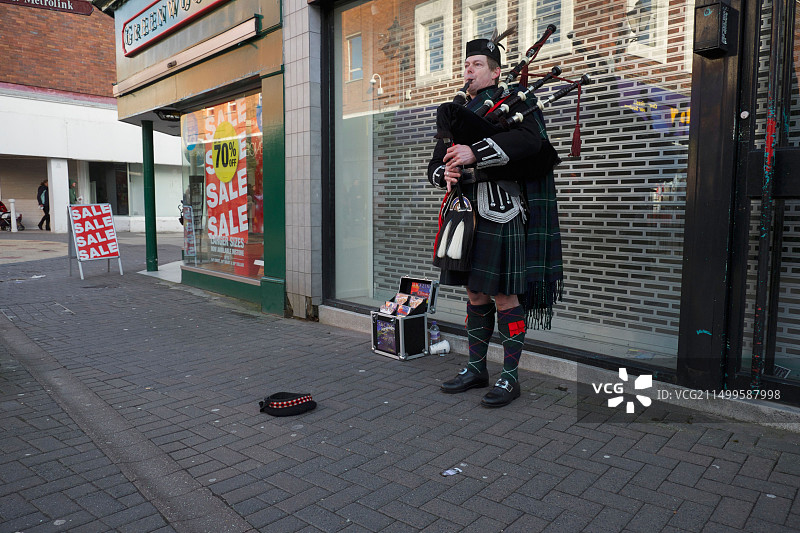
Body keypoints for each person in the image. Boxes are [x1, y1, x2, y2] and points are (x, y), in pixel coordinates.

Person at [427, 30, 563, 407]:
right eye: (466, 65)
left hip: (500, 210)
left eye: (476, 66)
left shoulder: (515, 102)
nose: (468, 71)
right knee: (474, 291)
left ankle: (510, 376)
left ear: (495, 73)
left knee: (505, 295)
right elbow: (435, 164)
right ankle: (476, 368)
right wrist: (445, 174)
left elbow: (533, 144)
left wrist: (477, 152)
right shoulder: (456, 111)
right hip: (463, 212)